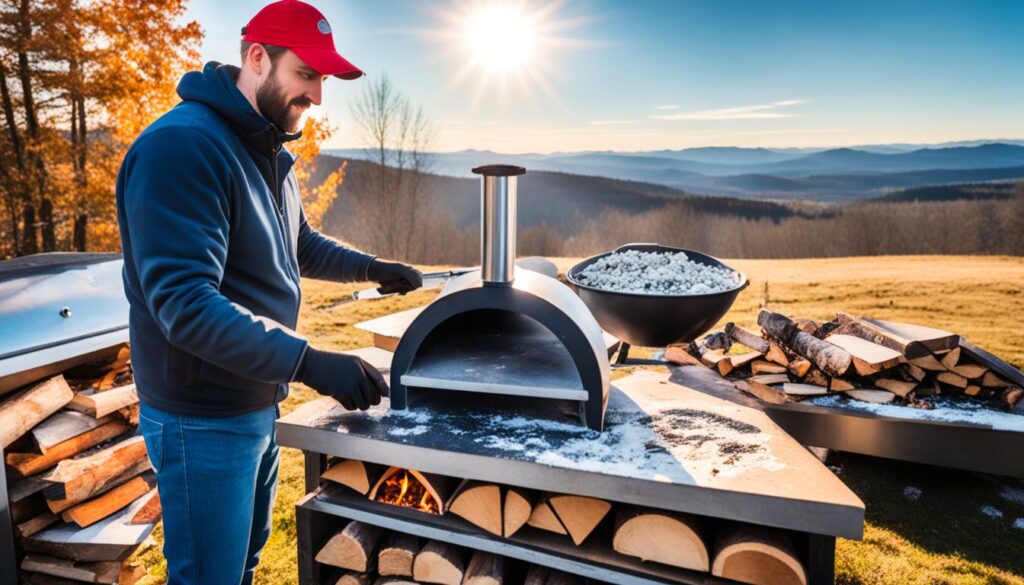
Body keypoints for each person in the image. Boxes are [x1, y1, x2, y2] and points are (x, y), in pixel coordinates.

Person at [114, 1, 419, 583]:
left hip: (253, 398)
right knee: (210, 576)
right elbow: (185, 305)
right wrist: (308, 361)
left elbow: (296, 243)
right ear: (258, 58)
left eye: (322, 80)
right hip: (200, 416)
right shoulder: (183, 148)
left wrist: (373, 268)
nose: (318, 96)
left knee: (245, 565)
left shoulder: (262, 144)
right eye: (306, 75)